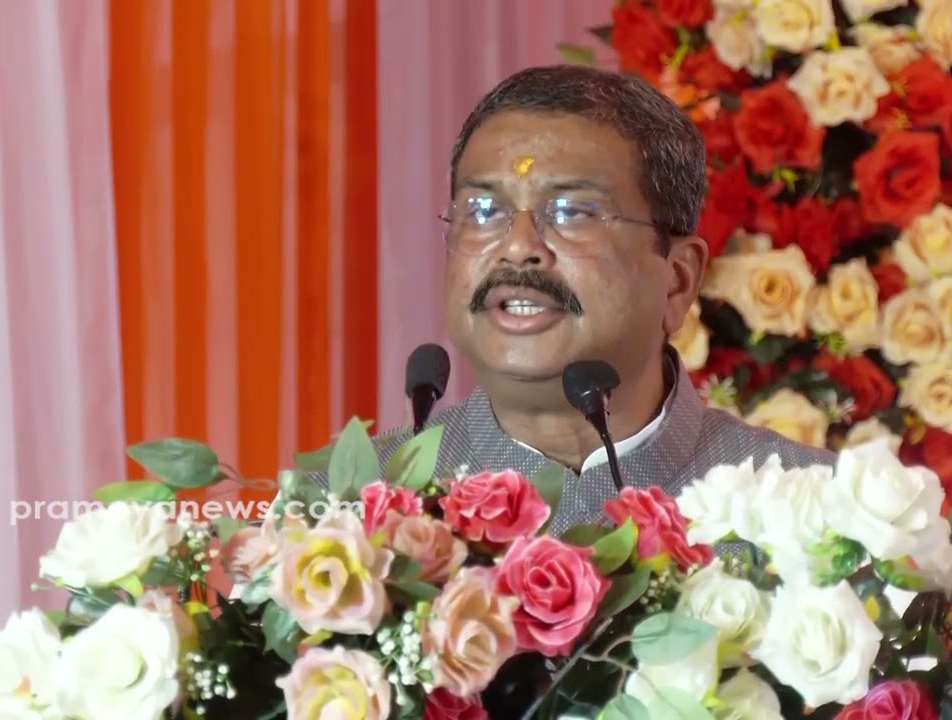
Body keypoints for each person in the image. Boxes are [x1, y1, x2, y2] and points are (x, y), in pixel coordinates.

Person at [323, 64, 833, 531]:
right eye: (482, 211)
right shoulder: (335, 520)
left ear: (678, 279)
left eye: (572, 213)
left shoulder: (821, 517)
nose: (517, 247)